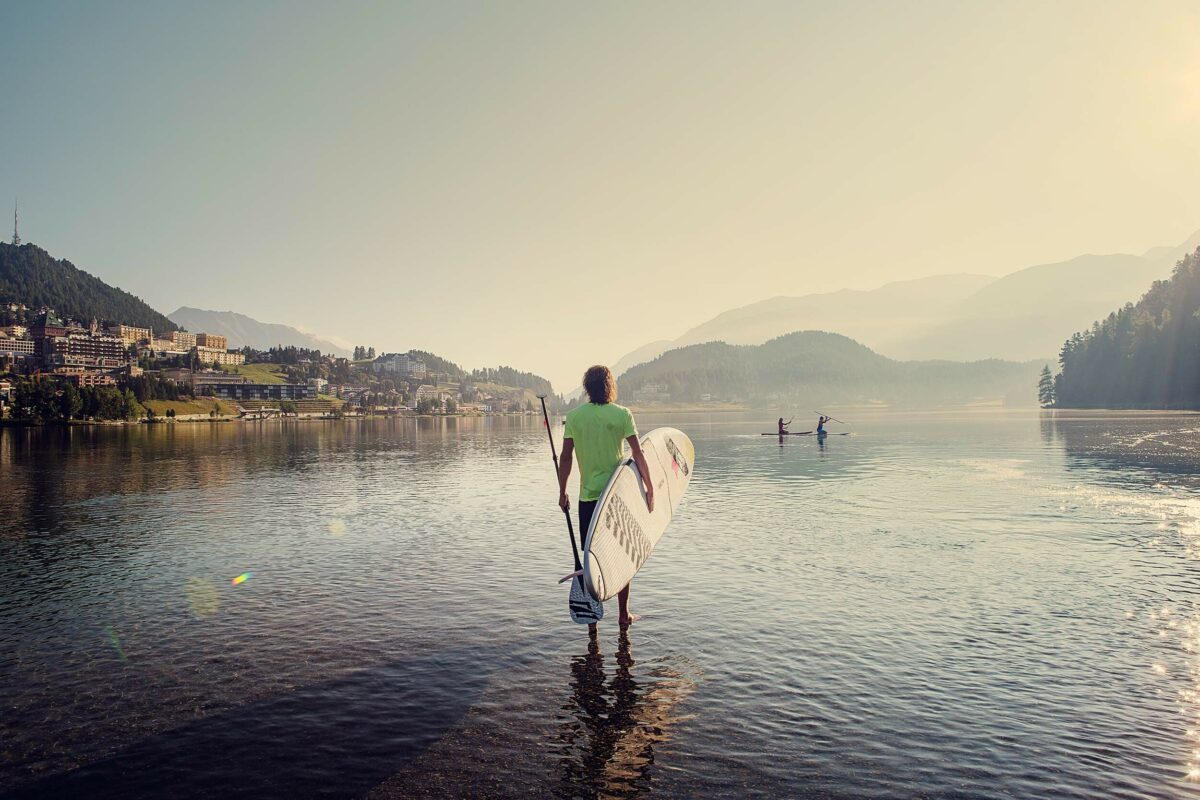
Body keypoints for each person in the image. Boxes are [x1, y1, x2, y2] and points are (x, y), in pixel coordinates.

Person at [558, 365, 654, 627]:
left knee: (592, 560)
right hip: (615, 499)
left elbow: (565, 458)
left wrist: (562, 490)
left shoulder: (575, 417)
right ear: (610, 386)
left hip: (588, 500)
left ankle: (592, 620)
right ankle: (624, 614)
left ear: (587, 387)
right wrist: (649, 486)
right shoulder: (622, 414)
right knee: (622, 555)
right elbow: (638, 453)